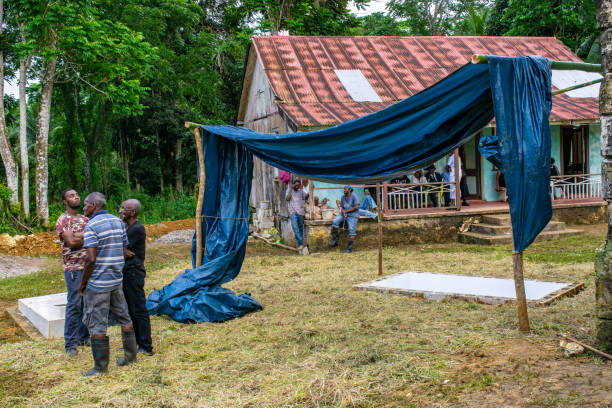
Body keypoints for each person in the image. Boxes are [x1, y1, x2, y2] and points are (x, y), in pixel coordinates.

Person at [80, 192, 137, 376]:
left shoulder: (91, 226)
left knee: (97, 324)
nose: (84, 207)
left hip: (98, 284)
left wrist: (83, 283)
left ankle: (100, 367)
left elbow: (90, 259)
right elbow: (124, 249)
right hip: (116, 280)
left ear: (94, 205)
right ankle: (130, 357)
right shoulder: (118, 222)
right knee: (125, 318)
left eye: (86, 204)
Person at [55, 189, 90, 356]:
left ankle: (84, 336)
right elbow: (70, 243)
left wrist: (78, 237)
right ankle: (70, 343)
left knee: (87, 303)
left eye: (77, 194)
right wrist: (85, 238)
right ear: (64, 201)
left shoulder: (86, 219)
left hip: (89, 267)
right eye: (71, 196)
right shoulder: (63, 220)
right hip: (73, 269)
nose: (76, 197)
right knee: (74, 304)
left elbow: (93, 239)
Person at [119, 199, 153, 356]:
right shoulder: (128, 227)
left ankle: (146, 345)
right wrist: (123, 250)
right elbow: (121, 248)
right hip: (127, 271)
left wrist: (123, 249)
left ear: (132, 212)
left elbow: (118, 245)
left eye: (123, 209)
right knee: (130, 309)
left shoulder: (137, 229)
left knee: (138, 309)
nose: (120, 211)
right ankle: (135, 342)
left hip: (134, 272)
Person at [329, 185, 360, 253]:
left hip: (353, 215)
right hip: (344, 214)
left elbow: (356, 207)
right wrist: (343, 211)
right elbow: (342, 207)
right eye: (344, 189)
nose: (344, 190)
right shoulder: (342, 197)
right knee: (335, 221)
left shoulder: (354, 196)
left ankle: (349, 249)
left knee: (351, 231)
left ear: (349, 190)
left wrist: (347, 211)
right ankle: (335, 240)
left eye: (345, 189)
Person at [286, 179, 309, 253]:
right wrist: (290, 189)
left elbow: (305, 197)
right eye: (295, 185)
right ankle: (302, 244)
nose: (297, 187)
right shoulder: (290, 191)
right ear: (293, 185)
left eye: (298, 185)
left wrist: (309, 190)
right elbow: (287, 198)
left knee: (300, 229)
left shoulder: (301, 191)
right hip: (293, 213)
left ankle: (300, 247)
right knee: (295, 229)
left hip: (300, 213)